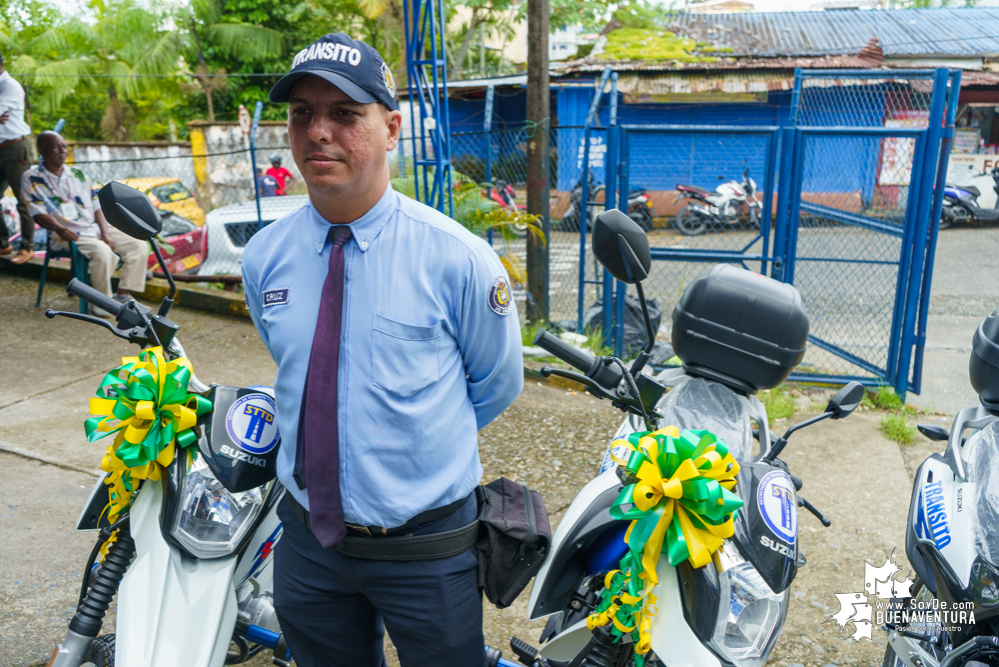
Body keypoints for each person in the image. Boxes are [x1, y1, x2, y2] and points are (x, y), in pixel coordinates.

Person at [241, 33, 523, 667]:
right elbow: (295, 365)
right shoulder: (265, 256)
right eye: (302, 114)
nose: (319, 131)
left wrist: (413, 440)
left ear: (392, 129)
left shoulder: (457, 260)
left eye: (345, 113)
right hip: (309, 544)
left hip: (426, 551)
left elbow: (498, 382)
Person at [22, 132, 147, 316]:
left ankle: (123, 294)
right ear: (41, 150)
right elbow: (37, 212)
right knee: (104, 253)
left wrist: (105, 233)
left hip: (93, 227)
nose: (62, 151)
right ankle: (102, 303)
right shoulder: (31, 177)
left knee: (138, 244)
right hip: (65, 233)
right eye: (56, 147)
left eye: (64, 146)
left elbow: (97, 204)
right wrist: (59, 228)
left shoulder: (77, 173)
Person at [0, 52, 35, 265]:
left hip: (15, 148)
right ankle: (3, 244)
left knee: (23, 200)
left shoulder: (10, 86)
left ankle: (27, 247)